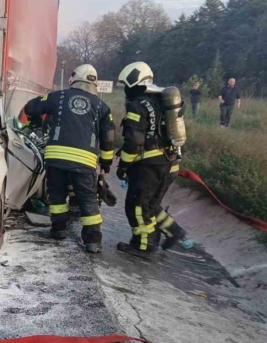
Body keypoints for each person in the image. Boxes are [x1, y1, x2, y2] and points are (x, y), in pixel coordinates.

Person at [21, 64, 116, 253]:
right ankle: (93, 241)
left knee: (57, 196)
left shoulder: (58, 97)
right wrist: (106, 163)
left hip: (56, 158)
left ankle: (59, 230)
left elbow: (30, 107)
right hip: (85, 161)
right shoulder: (102, 107)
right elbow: (108, 138)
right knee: (88, 199)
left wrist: (36, 122)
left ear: (73, 78)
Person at [115, 62, 186, 254]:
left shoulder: (138, 105)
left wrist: (123, 165)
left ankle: (144, 245)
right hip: (171, 162)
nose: (126, 90)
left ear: (134, 82)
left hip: (150, 166)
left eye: (126, 85)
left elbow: (133, 141)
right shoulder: (162, 100)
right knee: (151, 204)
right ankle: (174, 231)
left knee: (137, 205)